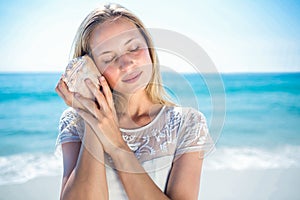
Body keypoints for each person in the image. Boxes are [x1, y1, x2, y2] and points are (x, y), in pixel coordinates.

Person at [55, 3, 214, 200]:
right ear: (93, 67)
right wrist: (93, 116)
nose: (126, 63)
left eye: (134, 48)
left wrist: (116, 146)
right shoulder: (74, 122)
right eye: (108, 58)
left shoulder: (187, 123)